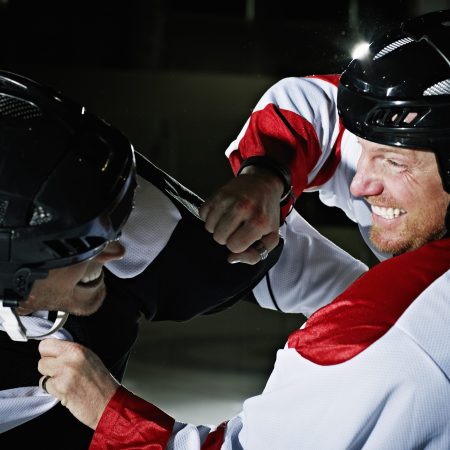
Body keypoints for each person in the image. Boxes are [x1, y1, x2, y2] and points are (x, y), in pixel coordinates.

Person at [37, 9, 450, 449]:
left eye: (393, 162)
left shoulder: (386, 337)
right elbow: (316, 105)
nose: (358, 183)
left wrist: (110, 413)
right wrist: (267, 174)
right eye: (363, 150)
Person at [0, 70, 365, 448]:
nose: (116, 251)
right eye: (80, 244)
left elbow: (342, 292)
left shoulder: (142, 225)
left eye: (113, 222)